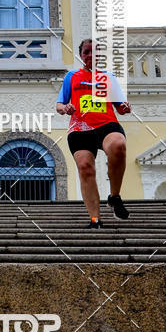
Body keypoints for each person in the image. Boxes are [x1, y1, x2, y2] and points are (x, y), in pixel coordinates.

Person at [56, 38, 131, 229]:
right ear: (81, 55)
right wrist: (66, 108)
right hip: (80, 127)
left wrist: (125, 107)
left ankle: (114, 197)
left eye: (94, 52)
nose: (90, 56)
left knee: (118, 145)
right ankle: (95, 219)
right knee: (85, 168)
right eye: (86, 52)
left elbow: (120, 107)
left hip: (106, 123)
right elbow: (59, 105)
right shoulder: (71, 76)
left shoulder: (109, 78)